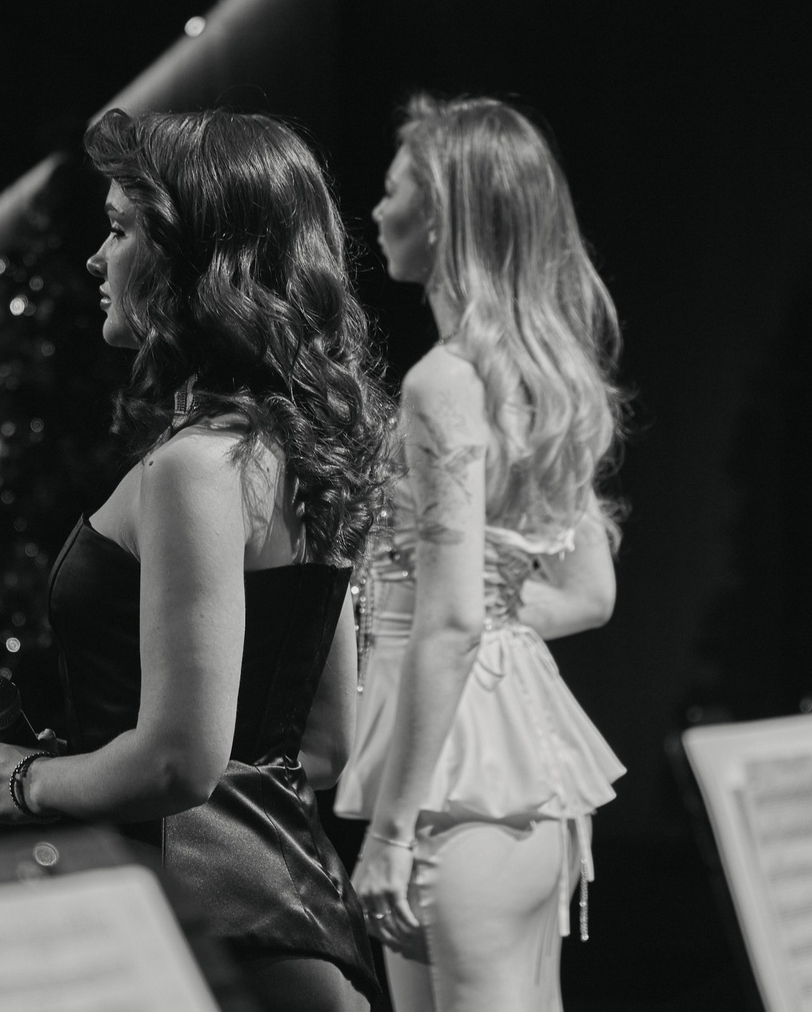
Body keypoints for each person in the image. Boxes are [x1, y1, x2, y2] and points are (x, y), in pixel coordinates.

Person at [0, 108, 397, 1012]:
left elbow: (179, 763)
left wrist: (27, 780)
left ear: (196, 260)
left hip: (208, 939)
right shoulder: (297, 455)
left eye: (120, 230)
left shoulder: (194, 469)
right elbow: (322, 746)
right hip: (290, 928)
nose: (97, 259)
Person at [337, 94, 628, 1012]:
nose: (376, 210)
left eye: (394, 190)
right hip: (513, 757)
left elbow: (456, 617)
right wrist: (471, 605)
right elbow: (588, 592)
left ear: (444, 216)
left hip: (458, 780)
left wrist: (389, 833)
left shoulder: (445, 383)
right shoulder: (540, 379)